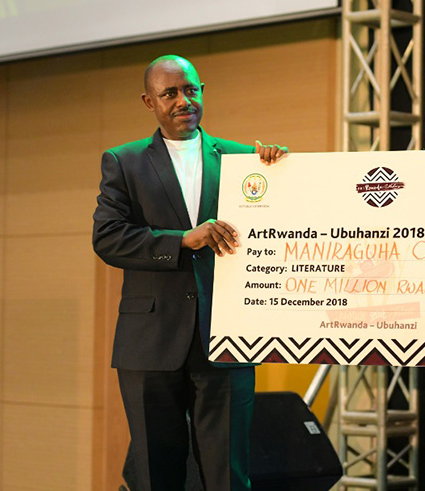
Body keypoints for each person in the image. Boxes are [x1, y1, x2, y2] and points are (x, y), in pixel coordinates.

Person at [93, 54, 287, 491]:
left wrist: (282, 166)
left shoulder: (243, 158)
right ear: (149, 101)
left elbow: (288, 212)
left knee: (228, 476)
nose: (184, 100)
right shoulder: (124, 162)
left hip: (227, 338)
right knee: (156, 475)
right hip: (150, 342)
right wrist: (182, 239)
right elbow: (108, 238)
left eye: (191, 89)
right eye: (170, 93)